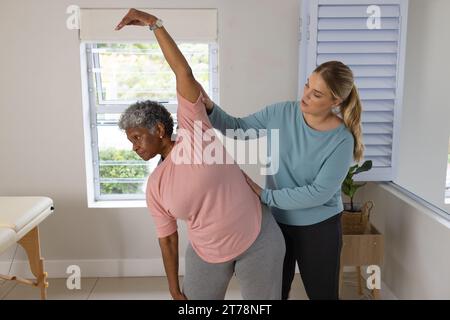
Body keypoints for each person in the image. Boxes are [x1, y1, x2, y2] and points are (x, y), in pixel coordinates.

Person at [115, 9, 285, 300]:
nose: (134, 147)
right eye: (130, 141)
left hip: (258, 236)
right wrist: (172, 288)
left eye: (136, 137)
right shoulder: (155, 186)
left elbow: (183, 72)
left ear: (158, 129)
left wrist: (153, 24)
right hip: (208, 252)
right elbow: (168, 240)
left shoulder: (196, 133)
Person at [202, 61, 363, 300]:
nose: (306, 95)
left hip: (319, 227)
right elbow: (238, 127)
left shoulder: (342, 140)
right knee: (274, 294)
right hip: (276, 223)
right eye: (308, 85)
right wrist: (209, 107)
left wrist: (265, 195)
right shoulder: (281, 113)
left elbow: (318, 192)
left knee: (323, 295)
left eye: (316, 94)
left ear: (336, 102)